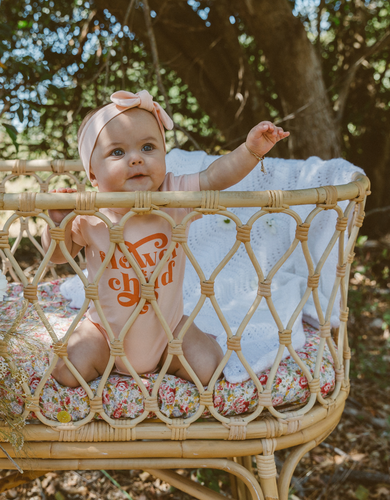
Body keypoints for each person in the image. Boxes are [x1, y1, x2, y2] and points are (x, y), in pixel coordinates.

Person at [42, 90, 289, 387]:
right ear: (93, 174)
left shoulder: (172, 195)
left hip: (168, 331)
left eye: (148, 147)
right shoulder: (90, 209)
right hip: (105, 334)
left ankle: (182, 350)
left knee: (208, 367)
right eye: (117, 152)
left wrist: (250, 152)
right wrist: (58, 220)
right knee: (66, 369)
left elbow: (215, 177)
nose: (135, 159)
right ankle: (102, 359)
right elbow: (57, 256)